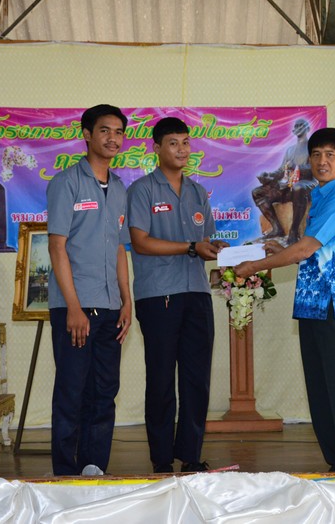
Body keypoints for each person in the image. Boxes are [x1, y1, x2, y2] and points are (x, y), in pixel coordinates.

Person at [235, 128, 335, 472]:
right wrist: (278, 249)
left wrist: (255, 266)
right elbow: (312, 249)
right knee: (322, 389)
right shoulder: (320, 195)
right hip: (314, 303)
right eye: (316, 154)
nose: (322, 161)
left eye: (330, 154)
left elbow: (305, 249)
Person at [127, 117, 226, 474]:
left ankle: (191, 455)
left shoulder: (198, 192)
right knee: (161, 378)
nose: (182, 150)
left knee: (197, 378)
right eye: (173, 143)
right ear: (156, 148)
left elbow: (206, 241)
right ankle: (161, 457)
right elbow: (140, 242)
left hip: (197, 293)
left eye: (186, 142)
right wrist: (190, 247)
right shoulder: (142, 190)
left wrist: (219, 251)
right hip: (159, 296)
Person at [46, 104, 132, 476]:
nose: (113, 138)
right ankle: (66, 473)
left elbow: (119, 248)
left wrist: (127, 300)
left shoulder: (120, 188)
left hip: (111, 307)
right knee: (72, 391)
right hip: (75, 309)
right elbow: (57, 247)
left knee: (104, 391)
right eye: (104, 131)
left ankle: (94, 467)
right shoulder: (66, 183)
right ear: (86, 134)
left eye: (119, 132)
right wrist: (73, 307)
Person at [251, 119, 317, 244]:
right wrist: (269, 176)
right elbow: (282, 170)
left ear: (308, 129)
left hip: (306, 184)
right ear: (293, 130)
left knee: (298, 188)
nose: (298, 128)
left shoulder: (313, 149)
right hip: (288, 185)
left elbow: (314, 169)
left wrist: (297, 167)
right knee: (257, 192)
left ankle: (294, 231)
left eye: (301, 125)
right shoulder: (290, 150)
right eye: (296, 126)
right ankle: (277, 228)